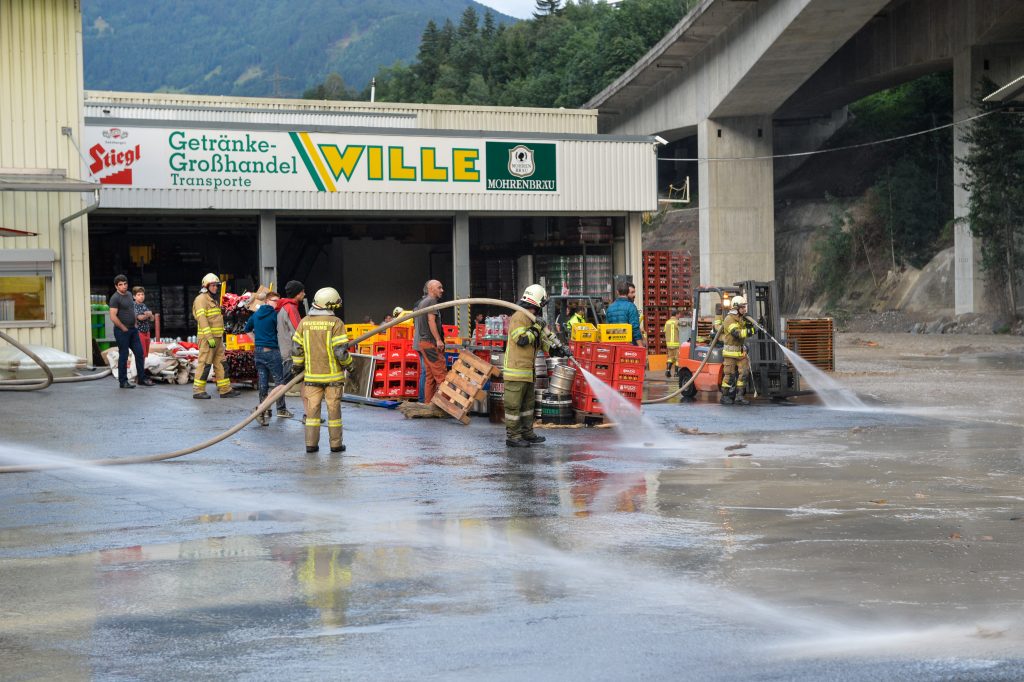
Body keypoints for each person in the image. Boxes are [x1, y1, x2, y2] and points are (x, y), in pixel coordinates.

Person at [503, 284, 571, 448]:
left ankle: (527, 433)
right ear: (537, 302)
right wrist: (536, 327)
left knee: (527, 406)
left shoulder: (533, 319)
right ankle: (513, 437)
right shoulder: (519, 316)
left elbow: (541, 342)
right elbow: (522, 339)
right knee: (514, 407)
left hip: (528, 372)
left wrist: (557, 350)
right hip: (516, 372)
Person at [289, 287, 352, 454]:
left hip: (311, 377)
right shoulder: (336, 323)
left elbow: (296, 349)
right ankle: (336, 445)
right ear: (329, 304)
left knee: (312, 412)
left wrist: (297, 367)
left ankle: (311, 445)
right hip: (333, 378)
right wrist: (350, 365)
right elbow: (340, 352)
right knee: (334, 412)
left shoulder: (304, 322)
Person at [244, 290, 293, 425]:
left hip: (259, 352)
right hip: (272, 351)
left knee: (263, 382)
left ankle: (264, 410)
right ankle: (281, 409)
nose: (277, 303)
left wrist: (256, 341)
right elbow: (282, 332)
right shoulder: (275, 315)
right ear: (267, 301)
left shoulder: (255, 314)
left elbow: (247, 329)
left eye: (278, 301)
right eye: (274, 301)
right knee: (280, 382)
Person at [192, 272, 240, 399]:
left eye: (216, 285)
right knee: (205, 364)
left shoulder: (212, 299)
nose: (215, 288)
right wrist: (209, 337)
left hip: (217, 338)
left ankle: (225, 389)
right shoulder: (201, 300)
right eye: (213, 285)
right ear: (206, 286)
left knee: (221, 363)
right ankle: (198, 391)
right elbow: (202, 319)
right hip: (208, 339)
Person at [109, 274, 151, 388]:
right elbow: (112, 316)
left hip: (133, 330)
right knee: (124, 355)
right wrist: (123, 328)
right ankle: (123, 381)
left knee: (140, 353)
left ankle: (141, 378)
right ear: (116, 286)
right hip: (121, 331)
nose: (123, 286)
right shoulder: (115, 298)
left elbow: (132, 310)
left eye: (125, 284)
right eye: (120, 285)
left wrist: (135, 324)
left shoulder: (128, 295)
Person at [414, 279, 447, 403]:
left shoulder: (422, 302)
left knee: (430, 377)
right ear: (431, 289)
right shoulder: (431, 301)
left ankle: (428, 405)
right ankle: (446, 406)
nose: (442, 290)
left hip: (424, 343)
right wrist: (438, 340)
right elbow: (431, 321)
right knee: (441, 375)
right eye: (439, 287)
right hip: (430, 343)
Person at [720, 295, 754, 405]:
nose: (744, 309)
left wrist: (750, 324)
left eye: (745, 307)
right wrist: (751, 331)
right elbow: (737, 333)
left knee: (744, 373)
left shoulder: (741, 319)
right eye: (742, 307)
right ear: (735, 307)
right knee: (729, 375)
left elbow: (745, 330)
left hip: (740, 352)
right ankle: (724, 396)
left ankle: (739, 396)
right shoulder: (729, 319)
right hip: (730, 353)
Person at [277, 280, 305, 396]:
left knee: (284, 383)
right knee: (283, 385)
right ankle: (271, 403)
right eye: (302, 291)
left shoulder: (284, 307)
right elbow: (298, 331)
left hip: (285, 349)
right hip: (291, 351)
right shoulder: (291, 308)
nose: (304, 294)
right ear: (297, 293)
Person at [605, 282, 645, 347]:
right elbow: (635, 328)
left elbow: (607, 327)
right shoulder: (631, 306)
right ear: (627, 292)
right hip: (628, 346)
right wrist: (641, 346)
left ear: (617, 292)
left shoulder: (610, 308)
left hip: (614, 345)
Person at [132, 286, 155, 358]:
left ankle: (143, 364)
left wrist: (149, 315)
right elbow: (140, 318)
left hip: (146, 332)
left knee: (146, 354)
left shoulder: (143, 305)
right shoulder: (133, 305)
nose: (141, 296)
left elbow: (152, 319)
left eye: (142, 294)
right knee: (142, 353)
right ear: (134, 297)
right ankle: (141, 365)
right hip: (139, 332)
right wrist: (148, 314)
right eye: (139, 295)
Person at [663, 309, 683, 378]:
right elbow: (682, 332)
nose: (680, 316)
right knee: (677, 358)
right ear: (676, 314)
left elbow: (665, 331)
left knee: (670, 358)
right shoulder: (678, 322)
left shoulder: (667, 322)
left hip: (669, 344)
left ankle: (668, 371)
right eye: (679, 314)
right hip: (677, 344)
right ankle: (676, 373)